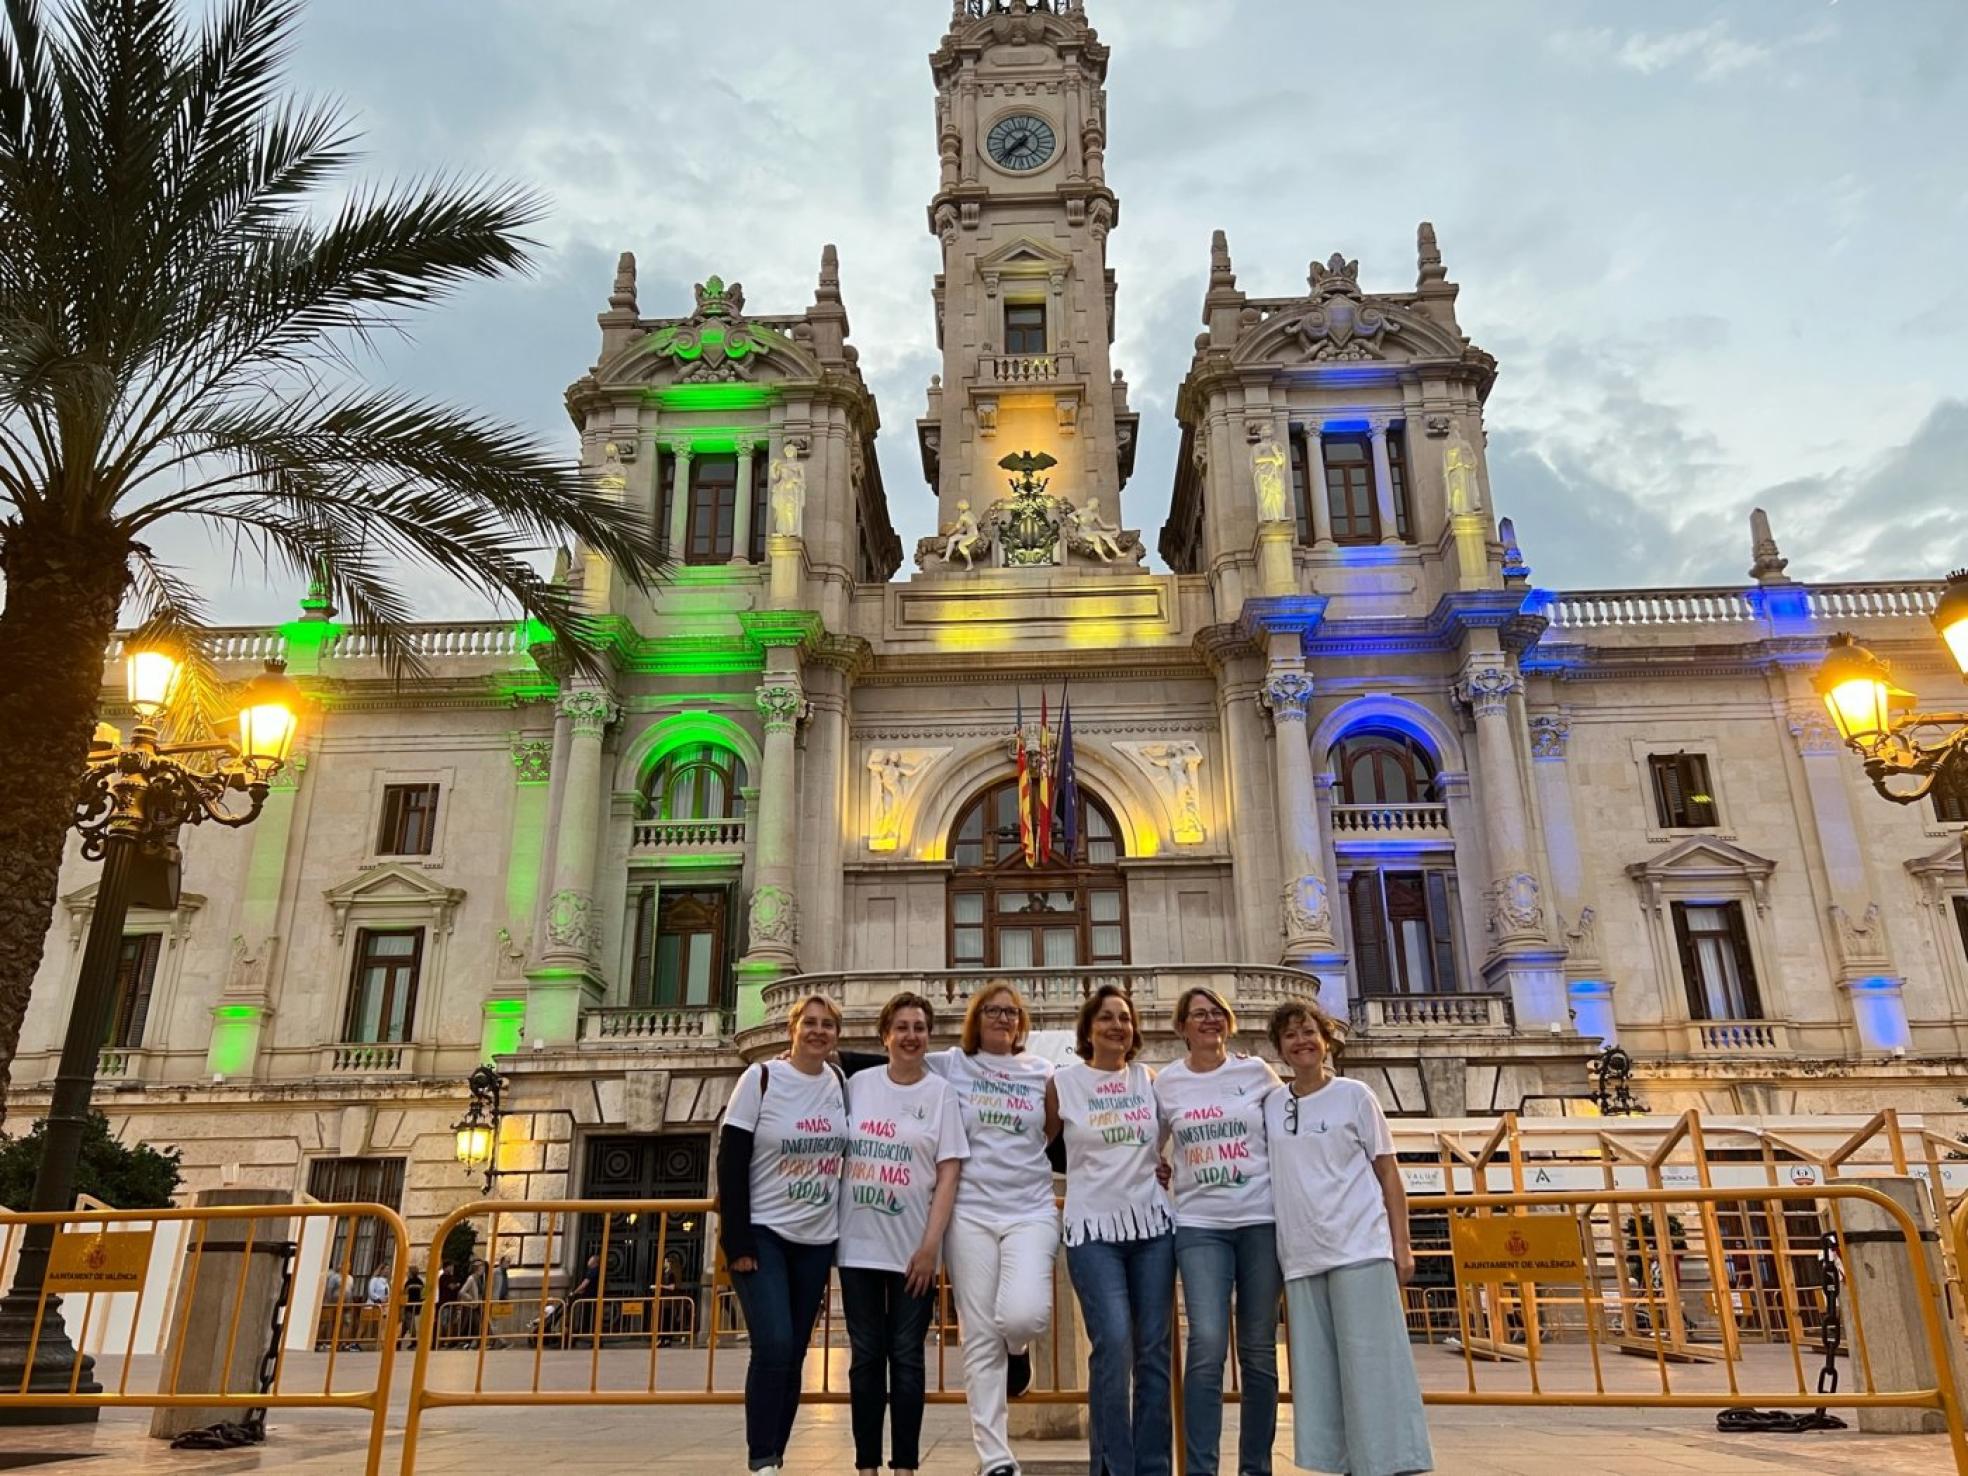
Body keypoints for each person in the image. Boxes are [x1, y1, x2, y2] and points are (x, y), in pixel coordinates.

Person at [1263, 999, 1432, 1476]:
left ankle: (1388, 1460)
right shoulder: (1273, 1104)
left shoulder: (1356, 1095)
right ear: (1279, 1048)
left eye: (1309, 1032)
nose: (1301, 1041)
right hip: (1301, 1253)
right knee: (1317, 1369)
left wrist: (1402, 1244)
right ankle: (1337, 1460)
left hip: (1360, 1245)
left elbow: (1388, 1173)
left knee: (1373, 1361)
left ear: (1327, 1038)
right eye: (1291, 1035)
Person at [924, 985, 1060, 1476]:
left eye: (1010, 1012)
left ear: (1021, 1021)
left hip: (1030, 1208)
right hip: (970, 1213)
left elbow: (1052, 1131)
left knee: (1023, 1315)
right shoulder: (949, 1065)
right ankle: (996, 1458)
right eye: (992, 1011)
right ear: (976, 1020)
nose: (1003, 1019)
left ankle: (1018, 1348)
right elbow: (896, 1061)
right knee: (979, 1334)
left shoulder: (1043, 1072)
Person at [717, 992, 848, 1476]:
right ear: (792, 1029)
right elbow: (730, 1159)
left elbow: (897, 1059)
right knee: (772, 1344)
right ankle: (760, 1460)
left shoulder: (838, 1080)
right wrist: (738, 1241)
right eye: (809, 1023)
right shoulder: (761, 1078)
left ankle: (776, 1455)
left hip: (815, 1240)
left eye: (827, 1025)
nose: (817, 1031)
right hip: (764, 1234)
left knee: (793, 1352)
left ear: (836, 1036)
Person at [839, 991, 969, 1476]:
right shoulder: (858, 1085)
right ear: (884, 1036)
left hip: (914, 1249)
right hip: (858, 1246)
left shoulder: (941, 1093)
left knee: (908, 1358)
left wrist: (930, 1247)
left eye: (919, 1028)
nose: (911, 1036)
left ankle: (906, 1466)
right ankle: (867, 1465)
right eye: (902, 1027)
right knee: (866, 1357)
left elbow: (949, 1170)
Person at [1155, 986, 1282, 1476]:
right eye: (1198, 1015)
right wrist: (1157, 1170)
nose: (1209, 1021)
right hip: (1199, 1225)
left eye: (1216, 1014)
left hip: (1259, 1222)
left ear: (1228, 1023)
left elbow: (1287, 1133)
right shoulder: (1167, 1082)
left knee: (1257, 1349)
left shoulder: (1256, 1073)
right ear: (1182, 1026)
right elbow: (1148, 1144)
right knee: (1206, 1344)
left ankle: (1256, 1467)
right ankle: (1201, 1468)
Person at [1056, 983, 1175, 1476]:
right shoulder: (1062, 1084)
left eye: (1124, 1018)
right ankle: (1111, 1466)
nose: (1116, 1026)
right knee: (1114, 1341)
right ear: (1087, 1029)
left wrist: (1168, 1169)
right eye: (1106, 1018)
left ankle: (1152, 1465)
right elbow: (1027, 1144)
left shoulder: (1151, 1082)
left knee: (1153, 1349)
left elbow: (1177, 1141)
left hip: (1151, 1227)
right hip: (1092, 1231)